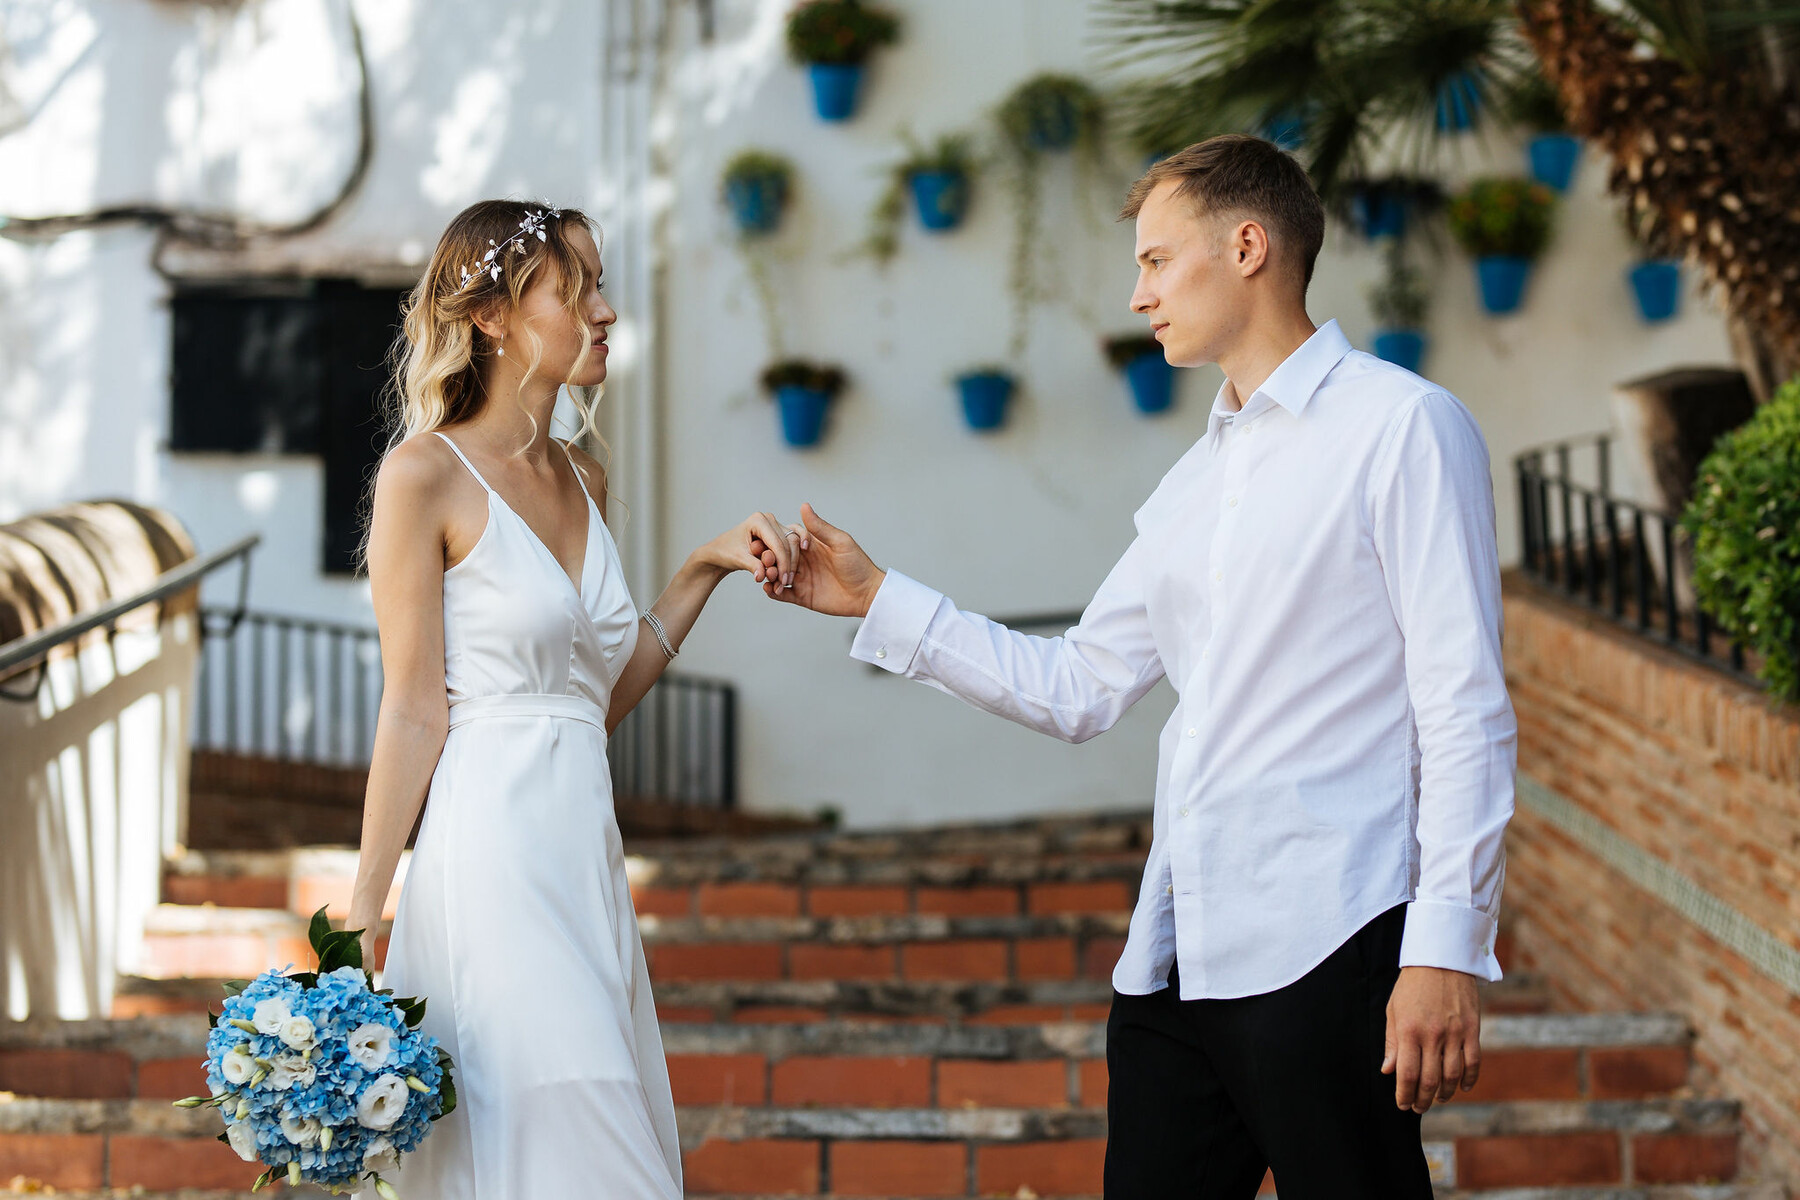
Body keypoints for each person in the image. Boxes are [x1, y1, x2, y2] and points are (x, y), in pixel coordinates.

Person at [761, 135, 1517, 1198]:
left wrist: (1445, 946)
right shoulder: (1190, 489)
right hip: (1175, 960)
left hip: (1332, 940)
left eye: (1158, 261)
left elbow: (1463, 705)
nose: (1137, 295)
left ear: (1247, 246)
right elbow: (1075, 686)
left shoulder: (1404, 428)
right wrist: (876, 597)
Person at [345, 199, 801, 1198]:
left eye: (603, 284)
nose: (605, 310)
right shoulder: (423, 474)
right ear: (496, 316)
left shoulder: (584, 478)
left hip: (583, 860)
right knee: (589, 1152)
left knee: (574, 1139)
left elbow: (587, 700)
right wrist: (363, 903)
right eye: (579, 285)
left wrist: (701, 570)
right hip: (490, 855)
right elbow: (416, 707)